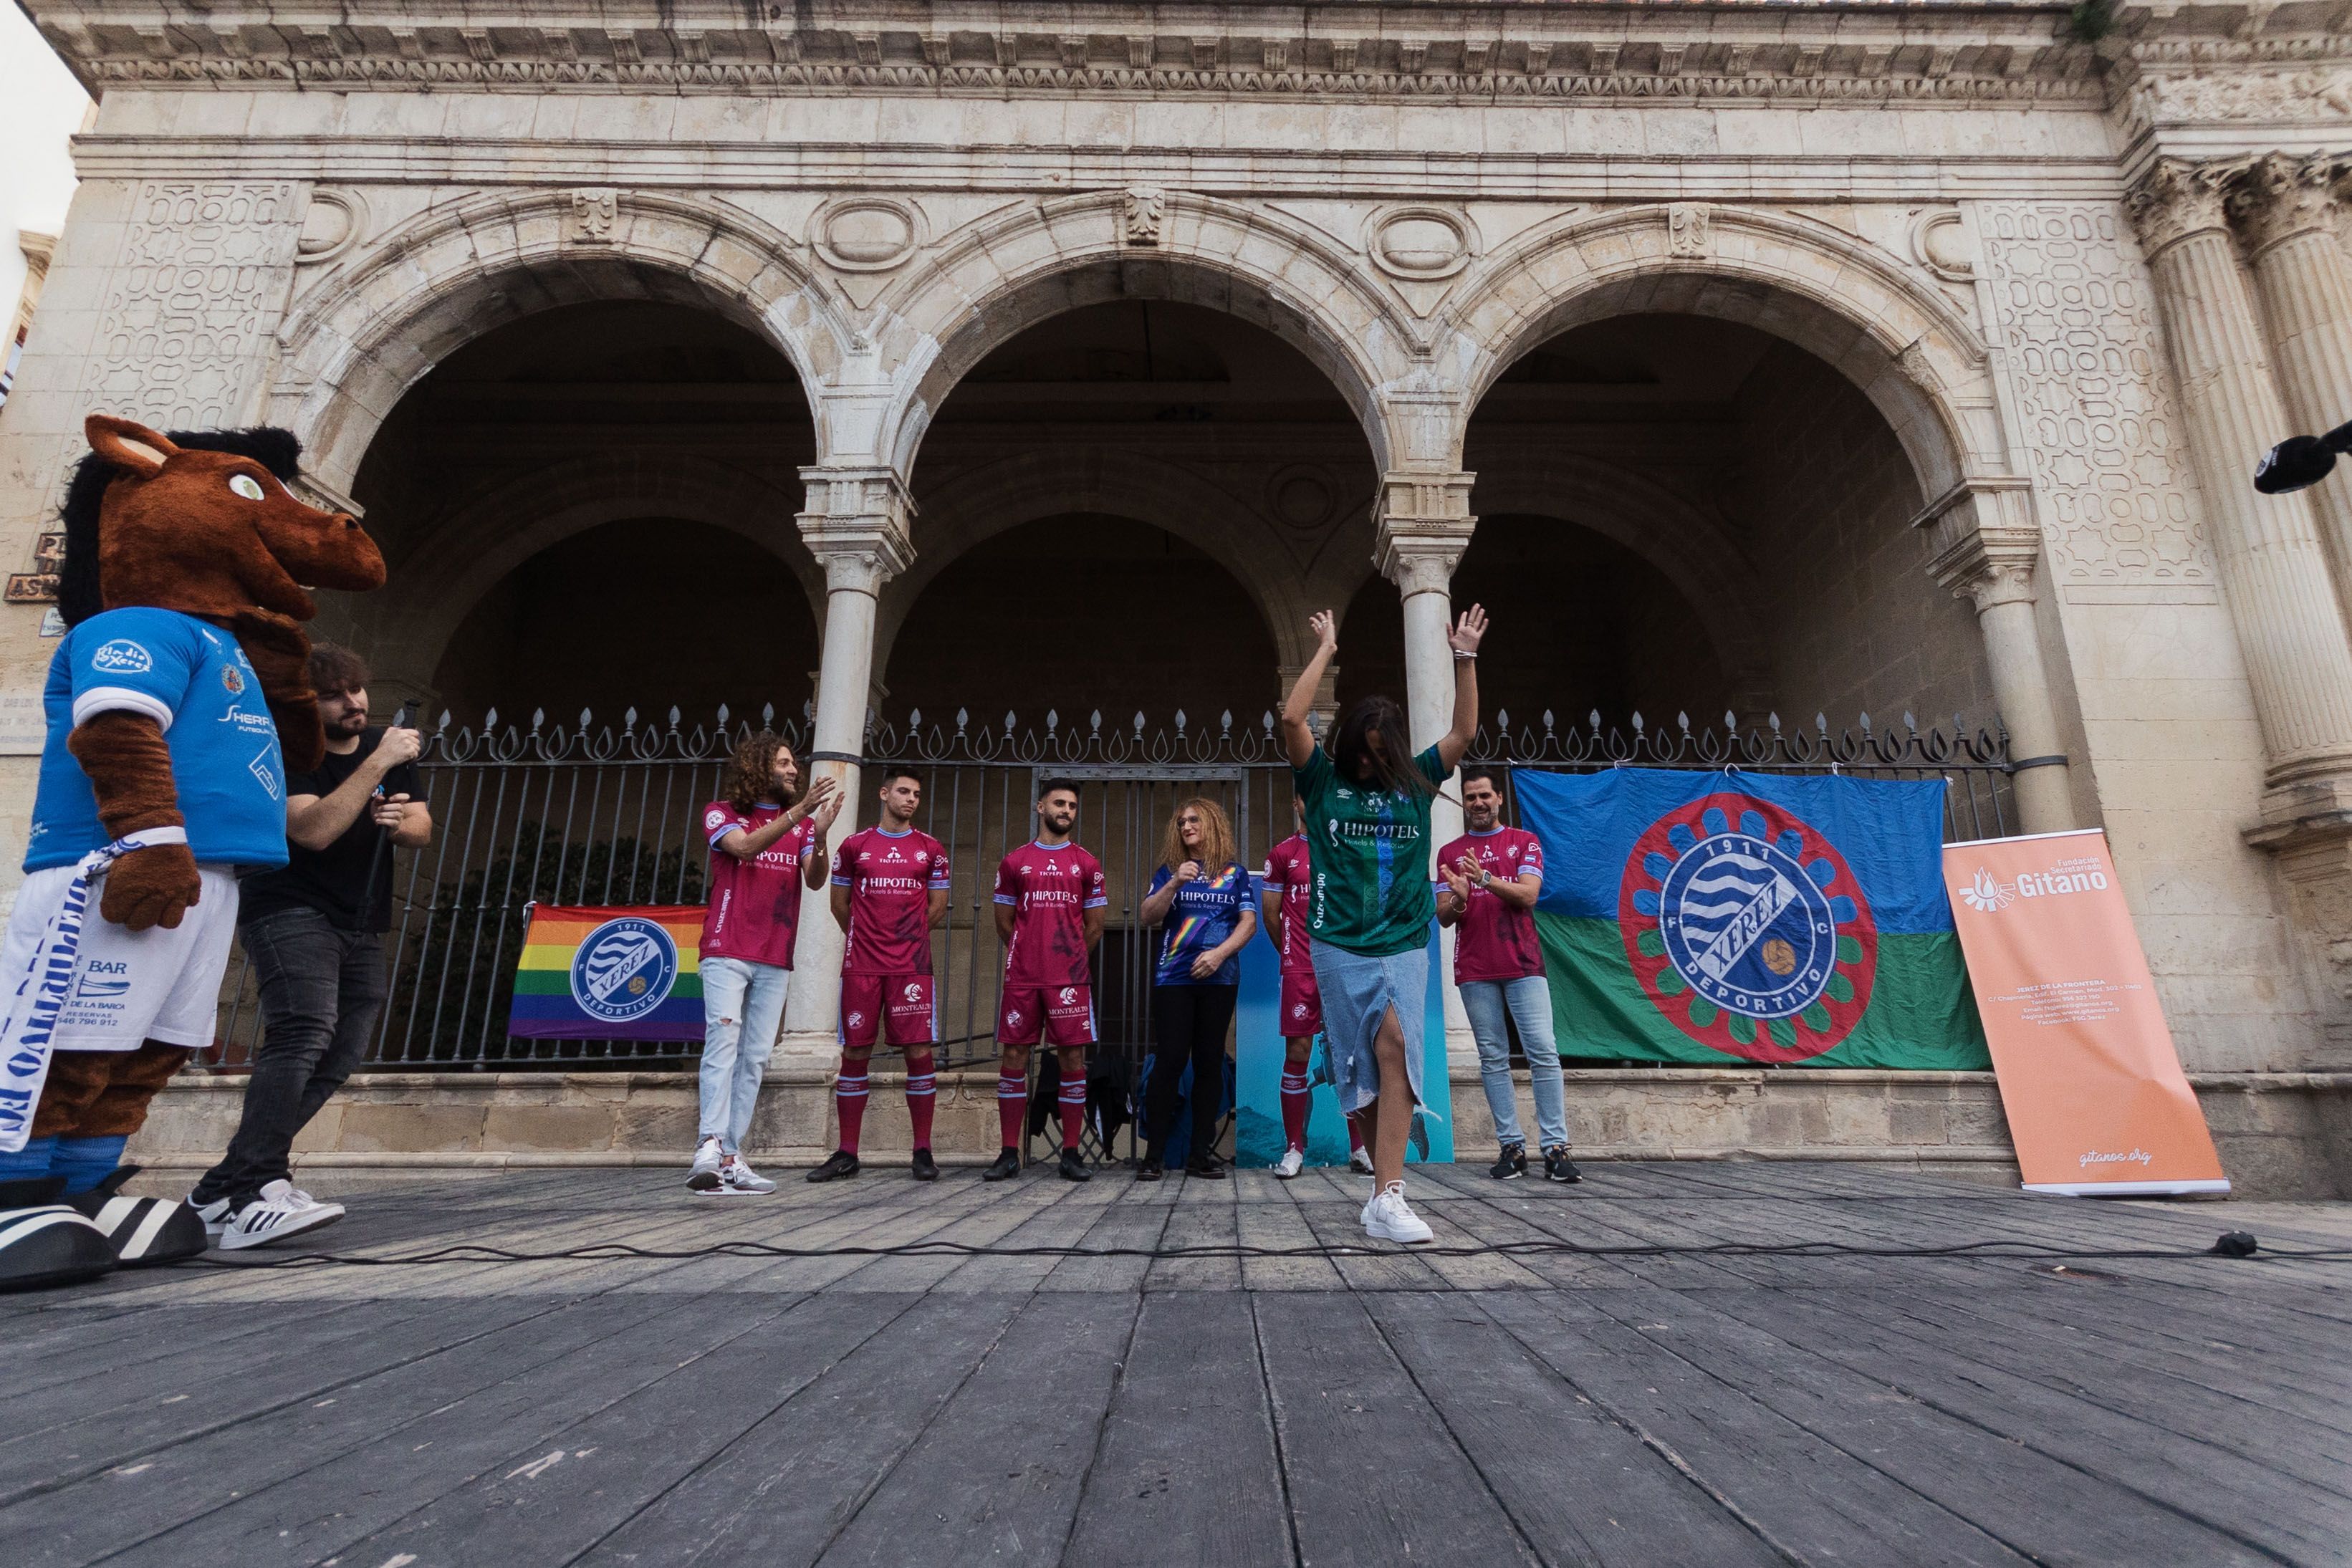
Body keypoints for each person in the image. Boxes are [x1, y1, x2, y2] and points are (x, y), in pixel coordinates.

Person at [188, 644, 432, 1249]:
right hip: (290, 907)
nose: (354, 703)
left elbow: (423, 828)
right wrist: (377, 764)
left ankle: (222, 1185)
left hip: (360, 918)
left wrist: (403, 821)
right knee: (302, 1031)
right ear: (307, 702)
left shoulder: (386, 746)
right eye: (334, 695)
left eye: (357, 689)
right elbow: (314, 829)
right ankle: (256, 1189)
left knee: (341, 1050)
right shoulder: (290, 749)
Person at [1278, 604, 1484, 1245]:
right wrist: (1326, 650)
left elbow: (1463, 731)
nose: (1367, 764)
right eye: (1360, 753)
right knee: (1358, 1067)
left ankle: (1389, 1193)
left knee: (1395, 1047)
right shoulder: (1320, 783)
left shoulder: (1417, 779)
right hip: (1338, 943)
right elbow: (1290, 717)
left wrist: (1465, 656)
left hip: (1402, 939)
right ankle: (1378, 1193)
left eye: (1377, 754)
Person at [687, 731, 840, 1196]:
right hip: (726, 947)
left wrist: (820, 833)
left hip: (775, 953)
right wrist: (801, 813)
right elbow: (744, 847)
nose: (795, 770)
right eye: (785, 762)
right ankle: (708, 1143)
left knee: (755, 1057)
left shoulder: (797, 826)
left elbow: (815, 880)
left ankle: (731, 1157)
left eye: (794, 764)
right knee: (724, 1040)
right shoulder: (721, 812)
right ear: (759, 766)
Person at [1438, 766, 1580, 1185]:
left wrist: (1484, 879)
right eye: (1470, 798)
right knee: (1492, 1058)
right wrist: (1461, 899)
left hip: (1523, 965)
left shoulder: (1524, 842)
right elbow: (1445, 916)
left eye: (1485, 796)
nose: (1478, 804)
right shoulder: (1449, 852)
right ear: (1463, 804)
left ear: (1499, 798)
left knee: (1542, 1051)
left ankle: (1555, 1147)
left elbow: (1529, 895)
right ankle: (1511, 1148)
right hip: (1475, 969)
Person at [810, 766, 951, 1183]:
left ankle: (922, 1151)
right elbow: (840, 905)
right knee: (855, 1052)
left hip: (911, 968)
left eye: (917, 794)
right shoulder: (855, 846)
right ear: (884, 794)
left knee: (918, 1053)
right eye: (903, 792)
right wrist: (866, 939)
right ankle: (847, 1154)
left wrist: (904, 941)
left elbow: (938, 909)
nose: (911, 799)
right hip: (863, 967)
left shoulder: (931, 848)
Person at [985, 779, 1108, 1184]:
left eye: (1072, 805)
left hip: (1069, 979)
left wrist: (1068, 960)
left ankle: (1070, 1153)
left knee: (1072, 1059)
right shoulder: (1014, 861)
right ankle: (1008, 1153)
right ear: (1040, 807)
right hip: (1023, 977)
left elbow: (1094, 927)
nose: (1066, 811)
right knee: (1014, 1058)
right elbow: (1004, 923)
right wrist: (1028, 951)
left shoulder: (1087, 864)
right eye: (1059, 803)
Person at [1135, 798, 1257, 1180]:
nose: (1186, 826)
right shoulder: (1169, 871)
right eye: (1181, 821)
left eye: (1194, 820)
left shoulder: (1234, 874)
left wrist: (1219, 955)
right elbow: (1147, 915)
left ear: (1213, 825)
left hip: (1219, 978)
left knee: (1209, 1063)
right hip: (1174, 977)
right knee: (1169, 1060)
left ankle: (1199, 1156)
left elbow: (1249, 923)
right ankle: (1153, 1156)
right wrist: (1173, 882)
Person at [1261, 797, 1373, 1178]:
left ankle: (1359, 1147)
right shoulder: (1282, 854)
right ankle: (1294, 1149)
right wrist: (1293, 955)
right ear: (1296, 803)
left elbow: (1360, 907)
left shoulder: (1348, 848)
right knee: (1299, 1050)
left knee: (1351, 1055)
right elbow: (1270, 915)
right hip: (1300, 968)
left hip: (1342, 966)